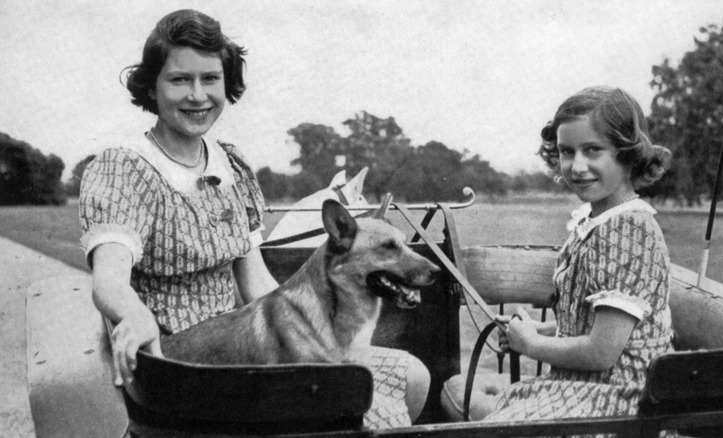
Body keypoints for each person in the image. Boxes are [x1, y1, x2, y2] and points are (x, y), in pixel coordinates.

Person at [78, 9, 428, 429]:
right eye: (179, 79)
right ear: (151, 86)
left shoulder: (232, 166)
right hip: (176, 366)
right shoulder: (123, 169)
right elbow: (110, 280)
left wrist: (315, 334)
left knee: (412, 378)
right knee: (345, 409)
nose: (197, 95)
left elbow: (256, 283)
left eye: (210, 79)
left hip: (245, 349)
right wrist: (134, 316)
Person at [481, 86, 675, 427]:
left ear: (628, 154)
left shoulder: (627, 230)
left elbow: (602, 351)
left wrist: (531, 345)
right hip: (586, 389)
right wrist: (542, 330)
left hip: (622, 404)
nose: (577, 165)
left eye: (593, 150)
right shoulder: (600, 222)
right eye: (567, 151)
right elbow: (593, 323)